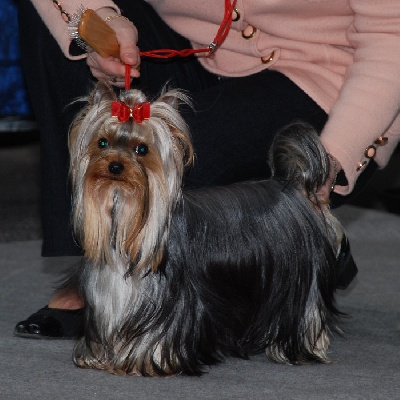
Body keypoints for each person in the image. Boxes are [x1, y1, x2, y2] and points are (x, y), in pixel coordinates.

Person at [15, 0, 400, 339]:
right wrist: (100, 18)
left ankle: (303, 233)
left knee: (173, 170)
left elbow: (391, 37)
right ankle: (97, 261)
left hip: (319, 73)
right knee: (68, 21)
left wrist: (329, 160)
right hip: (183, 49)